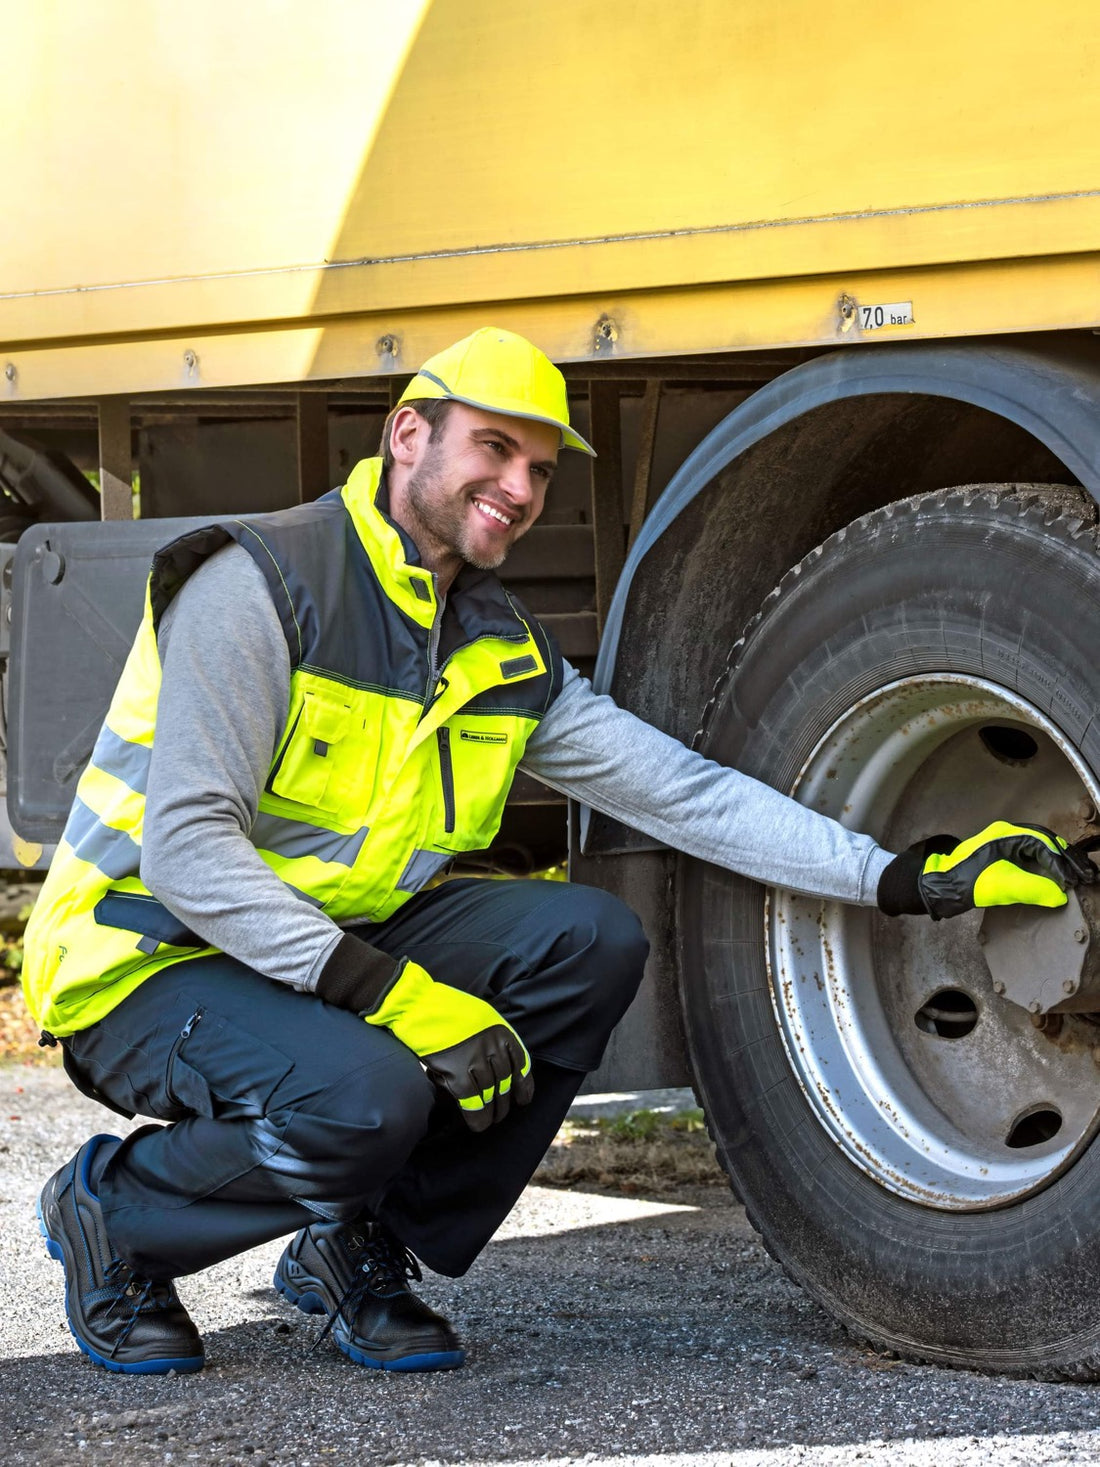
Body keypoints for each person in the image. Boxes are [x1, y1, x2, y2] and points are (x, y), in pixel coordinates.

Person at [22, 327, 1089, 1377]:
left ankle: (357, 1242)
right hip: (148, 953)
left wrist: (900, 876)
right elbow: (188, 852)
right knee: (365, 1098)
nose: (519, 487)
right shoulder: (264, 587)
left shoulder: (493, 644)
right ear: (407, 436)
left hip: (326, 938)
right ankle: (115, 1219)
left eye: (537, 468)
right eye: (492, 448)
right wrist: (386, 992)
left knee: (584, 941)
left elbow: (686, 796)